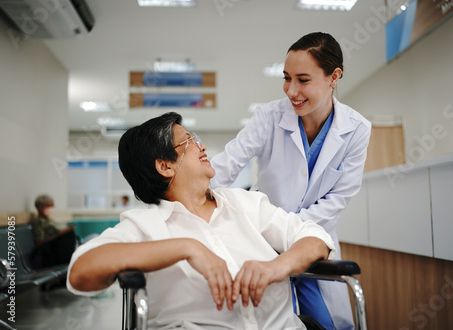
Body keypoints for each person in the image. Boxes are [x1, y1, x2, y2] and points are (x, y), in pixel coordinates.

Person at [67, 112, 336, 330]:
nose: (202, 145)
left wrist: (279, 266)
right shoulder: (144, 225)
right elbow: (81, 272)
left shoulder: (245, 203)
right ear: (165, 166)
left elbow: (314, 237)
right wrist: (187, 248)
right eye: (190, 141)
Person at [210, 32, 372, 330]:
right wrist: (185, 193)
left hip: (312, 241)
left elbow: (338, 198)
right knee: (265, 321)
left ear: (334, 76)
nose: (291, 90)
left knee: (328, 324)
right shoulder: (269, 117)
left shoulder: (357, 129)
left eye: (303, 79)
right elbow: (229, 162)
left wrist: (292, 233)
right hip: (264, 241)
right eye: (287, 78)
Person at [30, 194, 76, 268]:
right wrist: (60, 234)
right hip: (49, 252)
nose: (51, 209)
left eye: (52, 206)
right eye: (48, 206)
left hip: (57, 250)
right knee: (68, 236)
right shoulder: (38, 221)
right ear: (39, 207)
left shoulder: (49, 220)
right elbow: (39, 242)